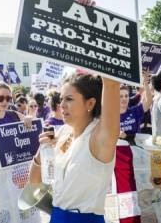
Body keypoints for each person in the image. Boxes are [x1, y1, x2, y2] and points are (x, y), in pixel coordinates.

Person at [29, 71, 120, 223]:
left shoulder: (100, 137)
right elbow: (34, 183)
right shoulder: (62, 132)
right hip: (56, 217)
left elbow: (111, 85)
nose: (61, 105)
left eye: (69, 99)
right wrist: (42, 150)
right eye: (61, 99)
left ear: (90, 103)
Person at [119, 73, 152, 141]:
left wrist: (145, 83)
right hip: (120, 149)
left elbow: (148, 101)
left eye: (126, 96)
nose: (124, 98)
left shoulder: (134, 111)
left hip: (136, 149)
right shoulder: (112, 116)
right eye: (121, 96)